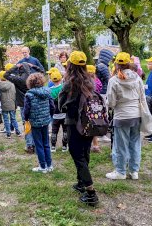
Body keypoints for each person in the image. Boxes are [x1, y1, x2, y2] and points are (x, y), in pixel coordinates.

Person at [59, 51, 99, 206]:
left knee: (77, 155)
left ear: (70, 65)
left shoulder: (70, 82)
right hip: (89, 123)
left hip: (74, 124)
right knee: (84, 152)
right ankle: (81, 183)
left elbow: (61, 104)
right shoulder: (90, 80)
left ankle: (91, 193)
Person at [106, 52, 148, 180]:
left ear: (116, 64)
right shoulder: (137, 77)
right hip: (136, 115)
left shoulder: (113, 80)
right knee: (135, 143)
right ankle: (134, 171)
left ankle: (120, 171)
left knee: (120, 145)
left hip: (122, 116)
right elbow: (142, 97)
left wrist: (107, 103)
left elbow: (111, 103)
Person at [4, 62, 42, 153]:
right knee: (35, 123)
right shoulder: (34, 77)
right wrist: (33, 66)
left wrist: (15, 66)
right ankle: (37, 145)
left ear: (20, 69)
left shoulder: (18, 79)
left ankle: (30, 145)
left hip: (23, 103)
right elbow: (42, 71)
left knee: (27, 124)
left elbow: (6, 74)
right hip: (34, 102)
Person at [24, 73, 55, 173]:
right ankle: (49, 165)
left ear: (30, 83)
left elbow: (27, 109)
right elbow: (52, 106)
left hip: (35, 122)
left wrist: (26, 118)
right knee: (46, 143)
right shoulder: (47, 91)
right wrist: (49, 115)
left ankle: (42, 166)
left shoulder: (29, 94)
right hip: (46, 121)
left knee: (39, 145)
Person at [95, 49, 113, 143]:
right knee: (103, 112)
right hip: (103, 92)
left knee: (102, 112)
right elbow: (109, 79)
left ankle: (102, 133)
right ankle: (102, 134)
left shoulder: (101, 65)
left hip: (101, 91)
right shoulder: (103, 67)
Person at [0, 70, 21, 138]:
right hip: (12, 103)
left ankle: (8, 134)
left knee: (6, 119)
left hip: (3, 104)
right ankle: (18, 131)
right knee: (13, 118)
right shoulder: (12, 84)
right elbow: (14, 94)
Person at [49, 71, 68, 153]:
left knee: (54, 131)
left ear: (52, 80)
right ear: (61, 79)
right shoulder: (64, 88)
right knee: (65, 130)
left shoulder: (49, 90)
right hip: (64, 113)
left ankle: (53, 147)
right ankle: (64, 146)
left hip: (55, 114)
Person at [86, 65, 102, 153]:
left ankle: (88, 145)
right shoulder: (98, 81)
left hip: (88, 105)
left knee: (87, 125)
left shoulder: (86, 82)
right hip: (96, 105)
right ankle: (96, 145)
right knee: (94, 125)